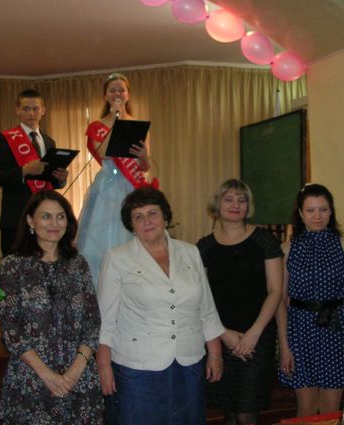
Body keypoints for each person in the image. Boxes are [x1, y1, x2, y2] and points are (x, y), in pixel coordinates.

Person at [97, 186, 225, 425]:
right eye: (138, 217)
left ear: (165, 217)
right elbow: (105, 319)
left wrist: (215, 355)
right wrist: (104, 365)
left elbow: (206, 308)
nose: (146, 221)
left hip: (189, 362)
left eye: (152, 213)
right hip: (137, 368)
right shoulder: (117, 258)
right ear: (131, 225)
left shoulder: (190, 252)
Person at [0, 190, 103, 424]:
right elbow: (11, 329)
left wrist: (74, 373)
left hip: (79, 378)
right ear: (30, 221)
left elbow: (92, 322)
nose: (54, 223)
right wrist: (47, 376)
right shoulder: (13, 266)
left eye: (60, 216)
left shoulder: (78, 264)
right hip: (32, 377)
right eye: (46, 216)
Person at [197, 179, 283, 425]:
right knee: (229, 413)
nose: (235, 205)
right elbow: (202, 299)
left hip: (258, 338)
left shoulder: (264, 240)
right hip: (219, 338)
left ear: (248, 206)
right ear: (217, 204)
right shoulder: (204, 247)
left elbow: (275, 291)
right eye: (229, 199)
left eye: (241, 200)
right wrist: (224, 334)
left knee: (247, 413)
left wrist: (254, 334)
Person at [77, 73, 155, 288]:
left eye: (121, 90)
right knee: (102, 241)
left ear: (128, 95)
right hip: (107, 187)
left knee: (132, 235)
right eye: (112, 90)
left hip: (132, 187)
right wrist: (115, 120)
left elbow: (144, 166)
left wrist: (144, 156)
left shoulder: (138, 125)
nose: (117, 93)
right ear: (105, 96)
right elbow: (103, 153)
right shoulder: (97, 126)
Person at [276, 184, 344, 417]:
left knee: (330, 411)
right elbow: (279, 301)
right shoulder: (287, 249)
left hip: (336, 331)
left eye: (323, 209)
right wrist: (284, 346)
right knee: (306, 409)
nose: (317, 216)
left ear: (331, 211)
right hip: (299, 332)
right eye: (310, 210)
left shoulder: (342, 245)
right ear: (301, 213)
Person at [0, 88, 69, 255]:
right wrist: (23, 171)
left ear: (43, 111)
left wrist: (61, 178)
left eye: (35, 109)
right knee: (15, 265)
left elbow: (50, 182)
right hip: (16, 217)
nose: (31, 113)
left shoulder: (49, 142)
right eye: (26, 109)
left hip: (45, 218)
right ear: (17, 111)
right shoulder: (5, 138)